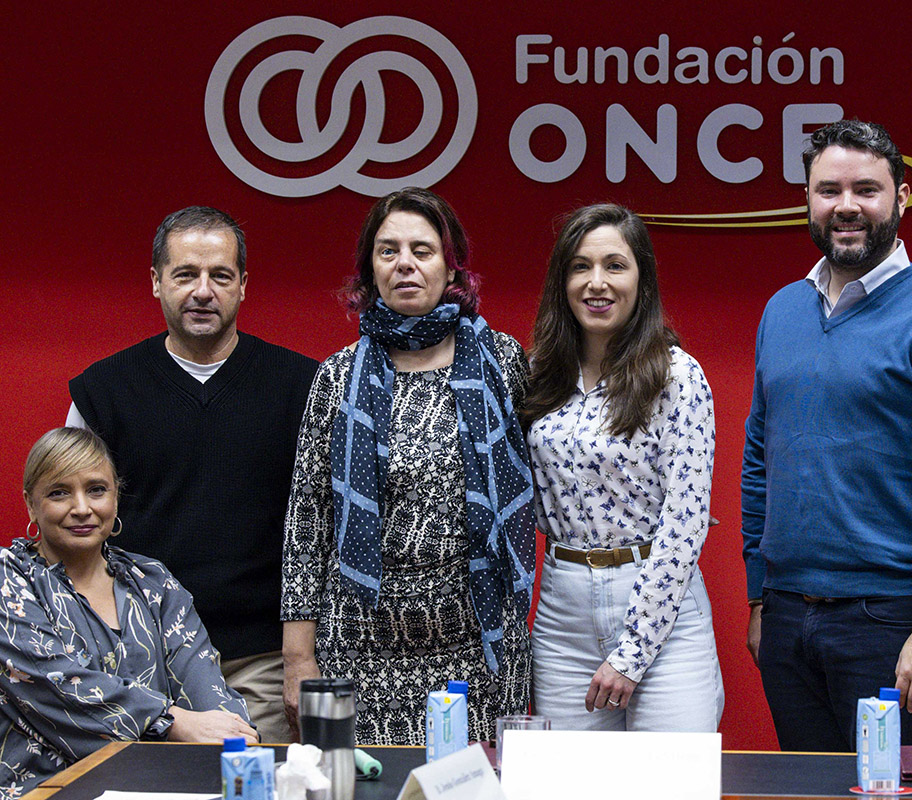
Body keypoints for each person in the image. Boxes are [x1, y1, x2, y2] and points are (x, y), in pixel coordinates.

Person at [741, 120, 912, 750]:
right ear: (807, 199)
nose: (847, 205)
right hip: (785, 620)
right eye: (828, 189)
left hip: (892, 625)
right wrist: (758, 599)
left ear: (903, 198)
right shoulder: (782, 310)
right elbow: (759, 459)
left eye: (867, 189)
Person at [281, 188, 535, 745]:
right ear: (370, 270)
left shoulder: (503, 362)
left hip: (481, 643)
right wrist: (298, 658)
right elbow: (308, 522)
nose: (405, 263)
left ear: (451, 269)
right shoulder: (337, 377)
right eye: (388, 250)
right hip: (361, 648)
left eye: (422, 250)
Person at [67, 206, 319, 743]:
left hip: (261, 662)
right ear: (156, 282)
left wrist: (301, 657)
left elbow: (324, 533)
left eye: (220, 276)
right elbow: (69, 531)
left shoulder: (304, 386)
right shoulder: (103, 393)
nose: (203, 291)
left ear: (243, 286)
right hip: (138, 662)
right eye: (185, 275)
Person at [522, 203, 723, 731]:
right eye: (580, 266)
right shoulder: (540, 373)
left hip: (662, 611)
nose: (597, 283)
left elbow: (685, 523)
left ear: (642, 279)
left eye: (615, 265)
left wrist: (633, 652)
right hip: (563, 614)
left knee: (671, 786)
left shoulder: (676, 375)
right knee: (568, 788)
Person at [0, 428, 255, 796]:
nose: (82, 508)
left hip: (160, 785)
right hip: (46, 788)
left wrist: (235, 735)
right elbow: (52, 680)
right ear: (30, 504)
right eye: (59, 493)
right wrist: (169, 720)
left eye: (96, 490)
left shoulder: (152, 581)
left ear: (116, 498)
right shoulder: (10, 579)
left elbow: (203, 682)